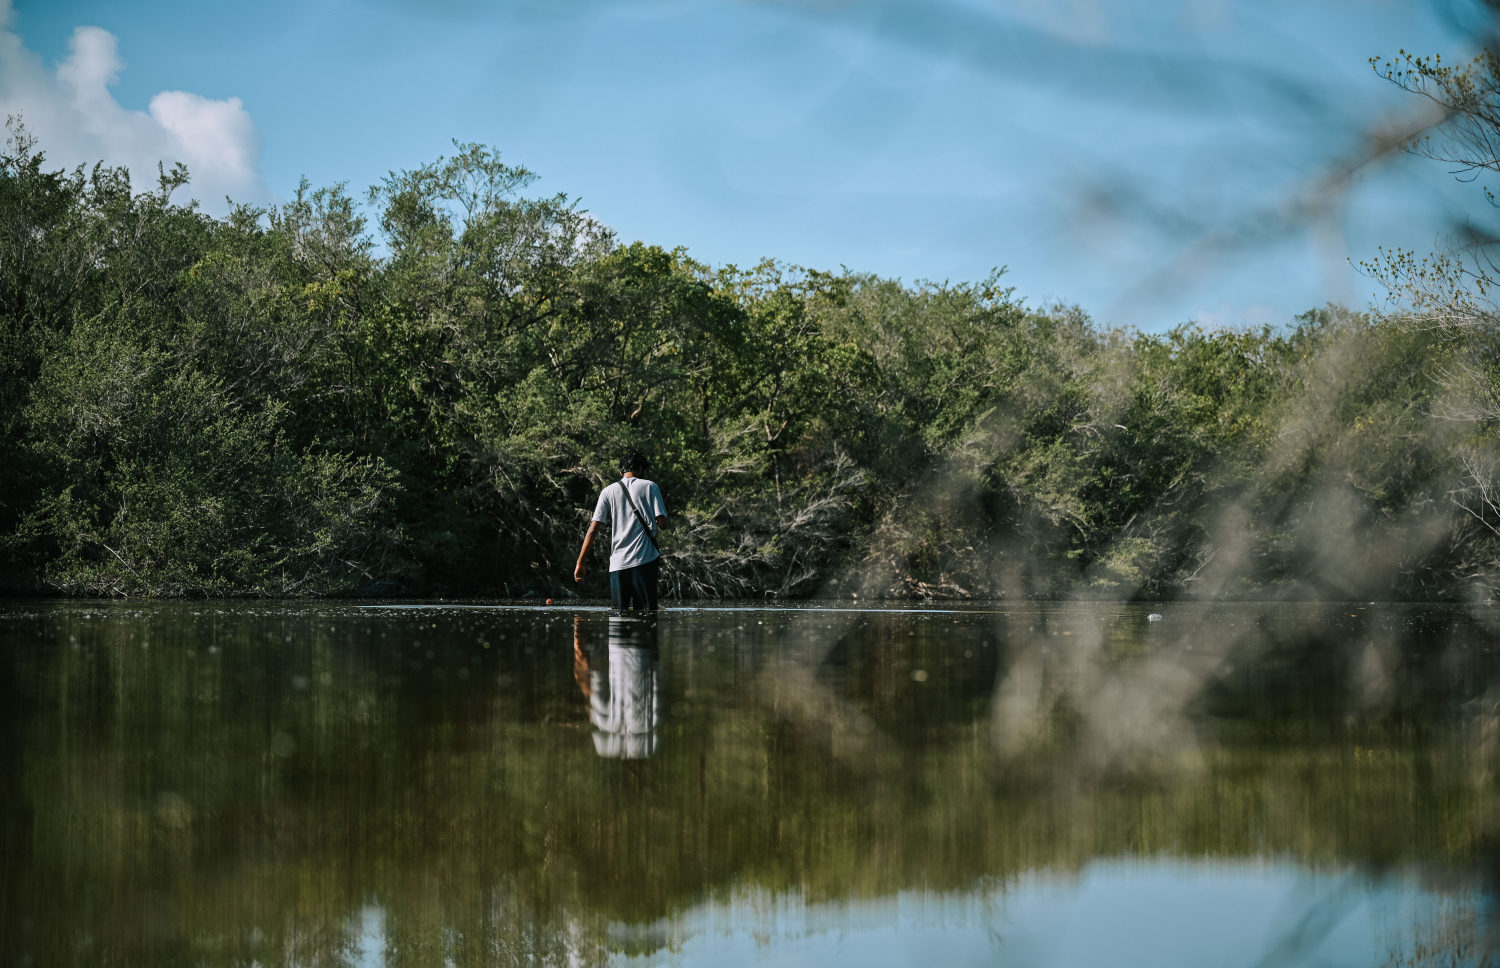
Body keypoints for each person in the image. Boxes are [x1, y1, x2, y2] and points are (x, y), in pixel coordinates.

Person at [574, 448, 667, 611]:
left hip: (618, 565)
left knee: (618, 616)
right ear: (641, 468)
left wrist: (580, 562)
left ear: (620, 471)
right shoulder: (651, 486)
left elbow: (593, 530)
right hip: (644, 561)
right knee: (647, 615)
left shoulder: (607, 492)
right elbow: (663, 524)